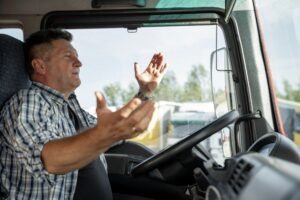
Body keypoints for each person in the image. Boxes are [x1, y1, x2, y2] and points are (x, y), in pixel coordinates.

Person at [0, 29, 167, 199]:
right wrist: (105, 134)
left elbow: (115, 128)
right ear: (40, 66)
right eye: (68, 56)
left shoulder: (70, 108)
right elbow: (49, 160)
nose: (79, 63)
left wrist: (144, 92)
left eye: (77, 56)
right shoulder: (27, 102)